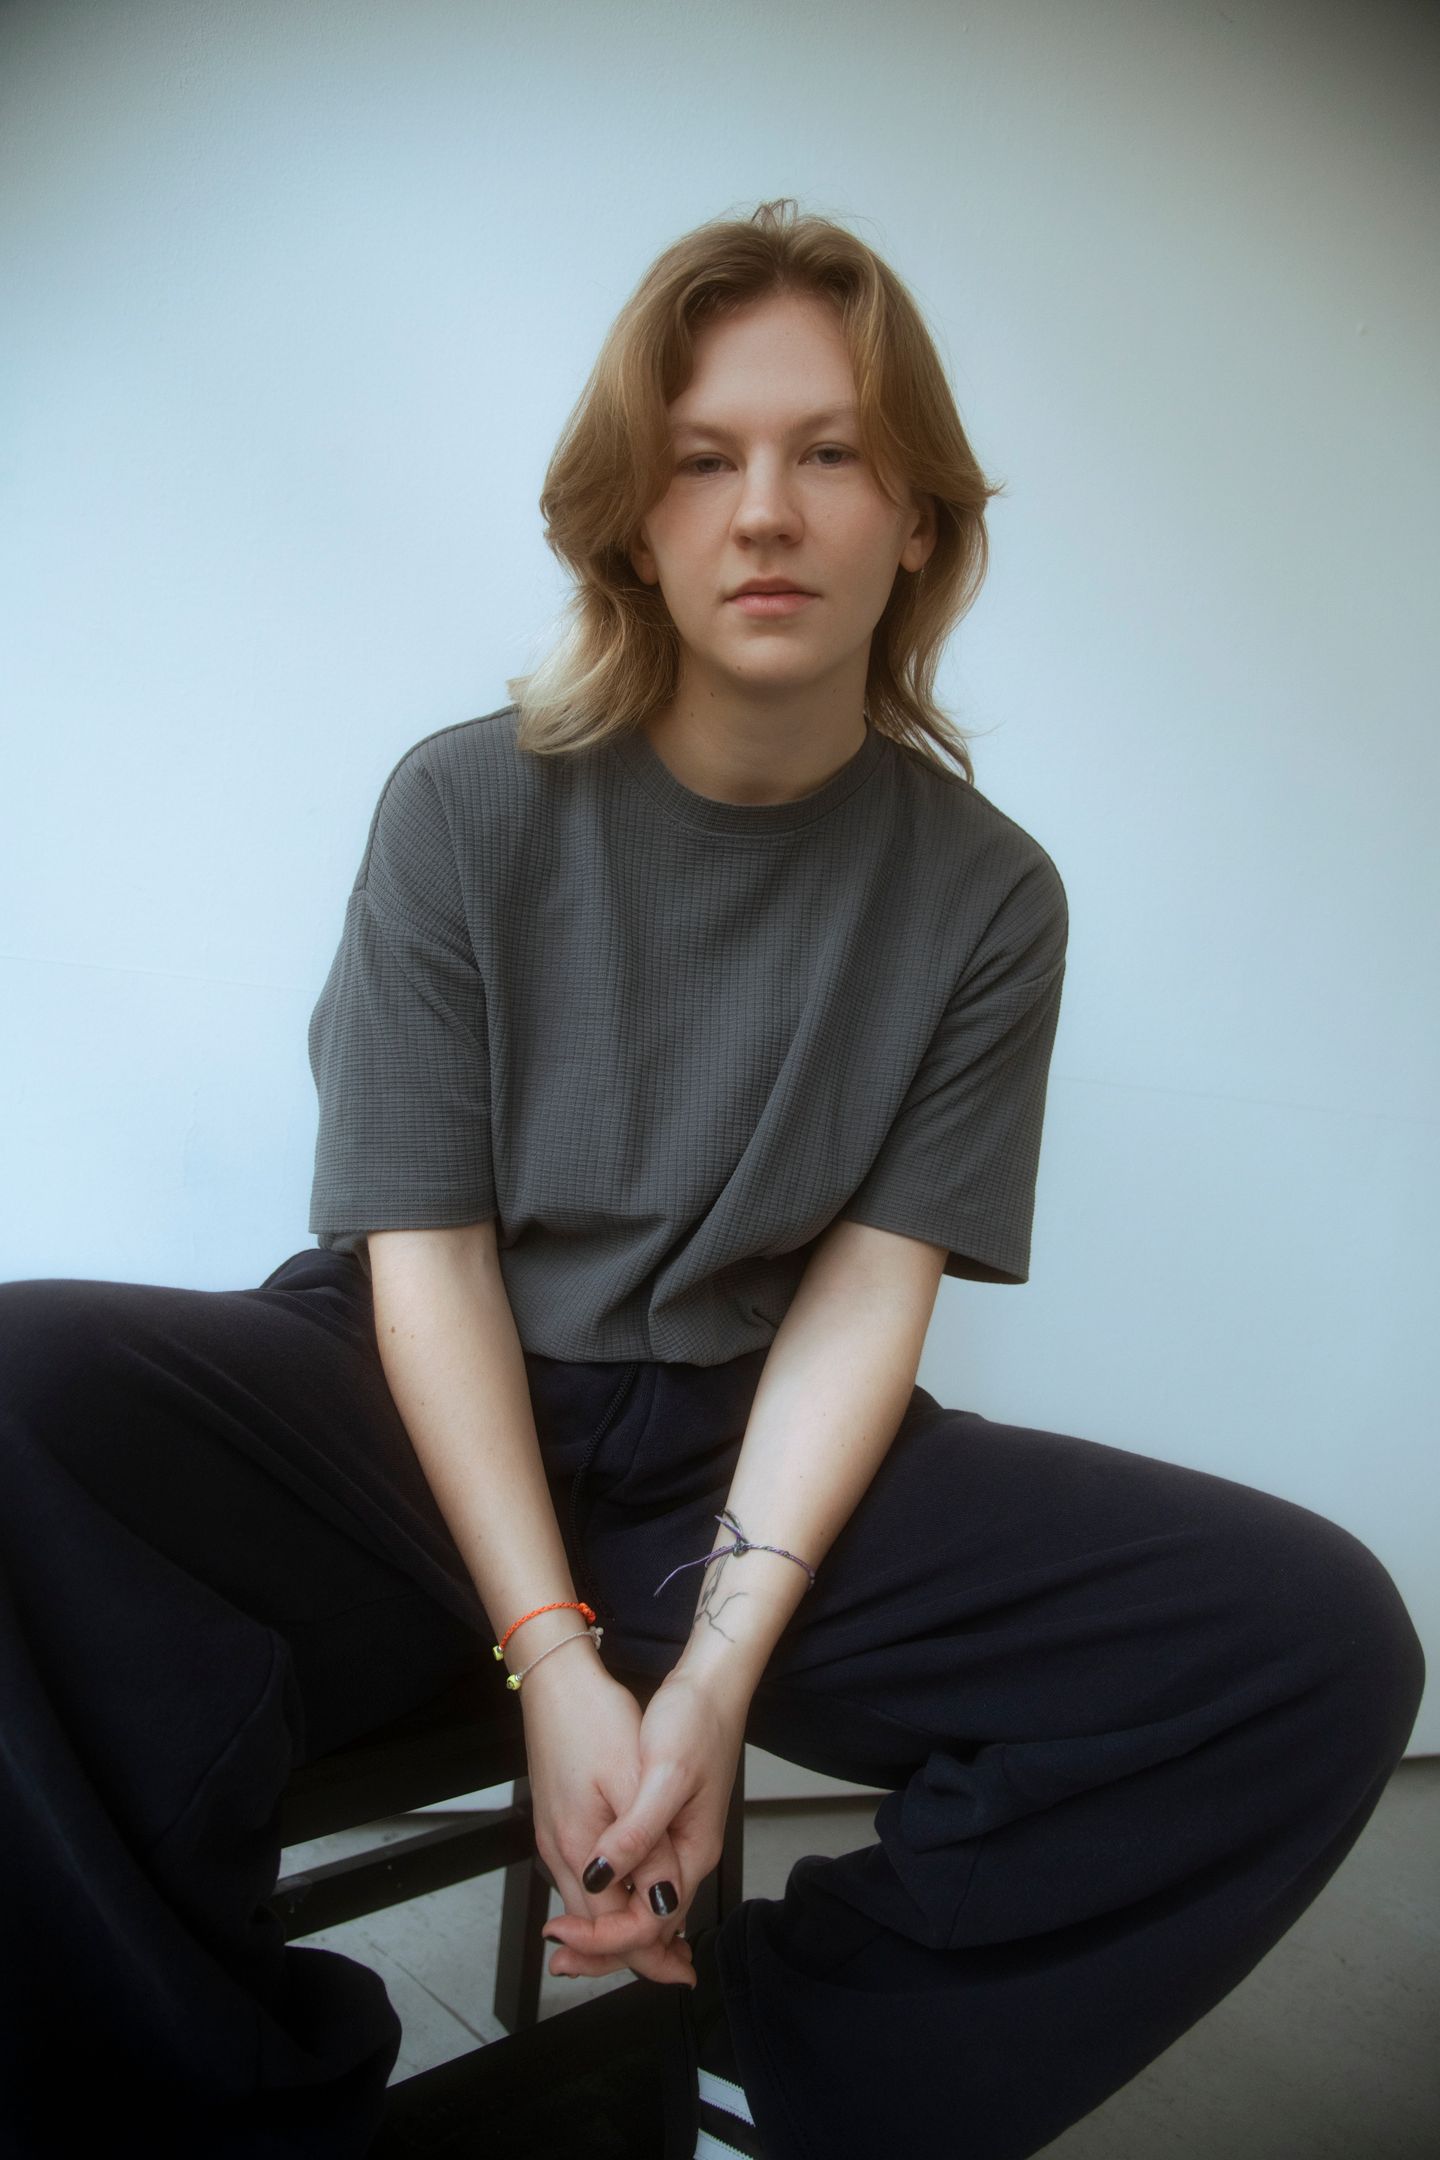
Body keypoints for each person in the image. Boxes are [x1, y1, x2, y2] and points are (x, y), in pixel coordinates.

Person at [0, 199, 1424, 2160]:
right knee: (20, 1397)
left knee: (1309, 1639)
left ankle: (772, 2079)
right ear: (632, 522)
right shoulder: (463, 805)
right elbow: (427, 1259)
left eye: (828, 452)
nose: (763, 512)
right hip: (409, 1411)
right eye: (701, 460)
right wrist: (552, 1657)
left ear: (915, 519)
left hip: (739, 1462)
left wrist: (717, 1675)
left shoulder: (989, 896)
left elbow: (863, 1298)